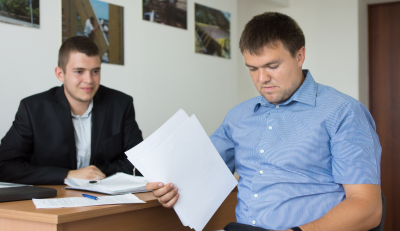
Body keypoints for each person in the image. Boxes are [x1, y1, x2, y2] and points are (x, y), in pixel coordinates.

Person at [145, 12, 382, 231]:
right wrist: (164, 184)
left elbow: (368, 207)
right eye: (252, 69)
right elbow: (197, 170)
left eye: (272, 66)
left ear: (299, 56)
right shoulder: (238, 116)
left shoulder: (343, 112)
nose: (262, 79)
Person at [0, 36, 143, 185]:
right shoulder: (33, 109)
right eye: (79, 71)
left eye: (95, 71)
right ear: (60, 74)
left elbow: (140, 162)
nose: (89, 80)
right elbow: (4, 166)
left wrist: (94, 175)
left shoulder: (121, 104)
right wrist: (68, 175)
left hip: (107, 200)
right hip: (54, 201)